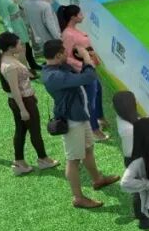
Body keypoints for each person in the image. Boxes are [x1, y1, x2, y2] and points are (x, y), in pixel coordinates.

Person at [42, 39, 119, 209]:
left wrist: (81, 58)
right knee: (73, 160)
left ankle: (97, 179)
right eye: (64, 52)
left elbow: (78, 74)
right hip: (72, 121)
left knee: (88, 149)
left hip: (80, 116)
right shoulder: (55, 76)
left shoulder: (58, 67)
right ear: (58, 55)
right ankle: (78, 198)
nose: (67, 53)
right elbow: (88, 77)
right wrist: (86, 57)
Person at [0, 32, 57, 176]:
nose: (21, 44)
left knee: (21, 130)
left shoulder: (7, 57)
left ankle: (20, 162)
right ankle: (43, 159)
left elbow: (25, 74)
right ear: (10, 47)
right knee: (34, 130)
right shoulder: (10, 66)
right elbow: (15, 90)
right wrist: (23, 109)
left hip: (23, 100)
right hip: (23, 101)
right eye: (19, 43)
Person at [112, 90, 149, 229]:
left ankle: (143, 214)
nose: (136, 101)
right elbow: (133, 149)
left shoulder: (124, 117)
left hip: (137, 159)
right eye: (133, 100)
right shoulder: (128, 130)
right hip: (137, 160)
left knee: (142, 190)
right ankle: (143, 219)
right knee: (141, 190)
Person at [58, 5, 109, 141]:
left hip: (88, 69)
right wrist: (83, 64)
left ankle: (100, 118)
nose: (83, 16)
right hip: (82, 72)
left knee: (98, 92)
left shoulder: (74, 30)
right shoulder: (68, 34)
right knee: (90, 100)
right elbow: (66, 57)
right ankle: (94, 129)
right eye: (80, 14)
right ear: (73, 17)